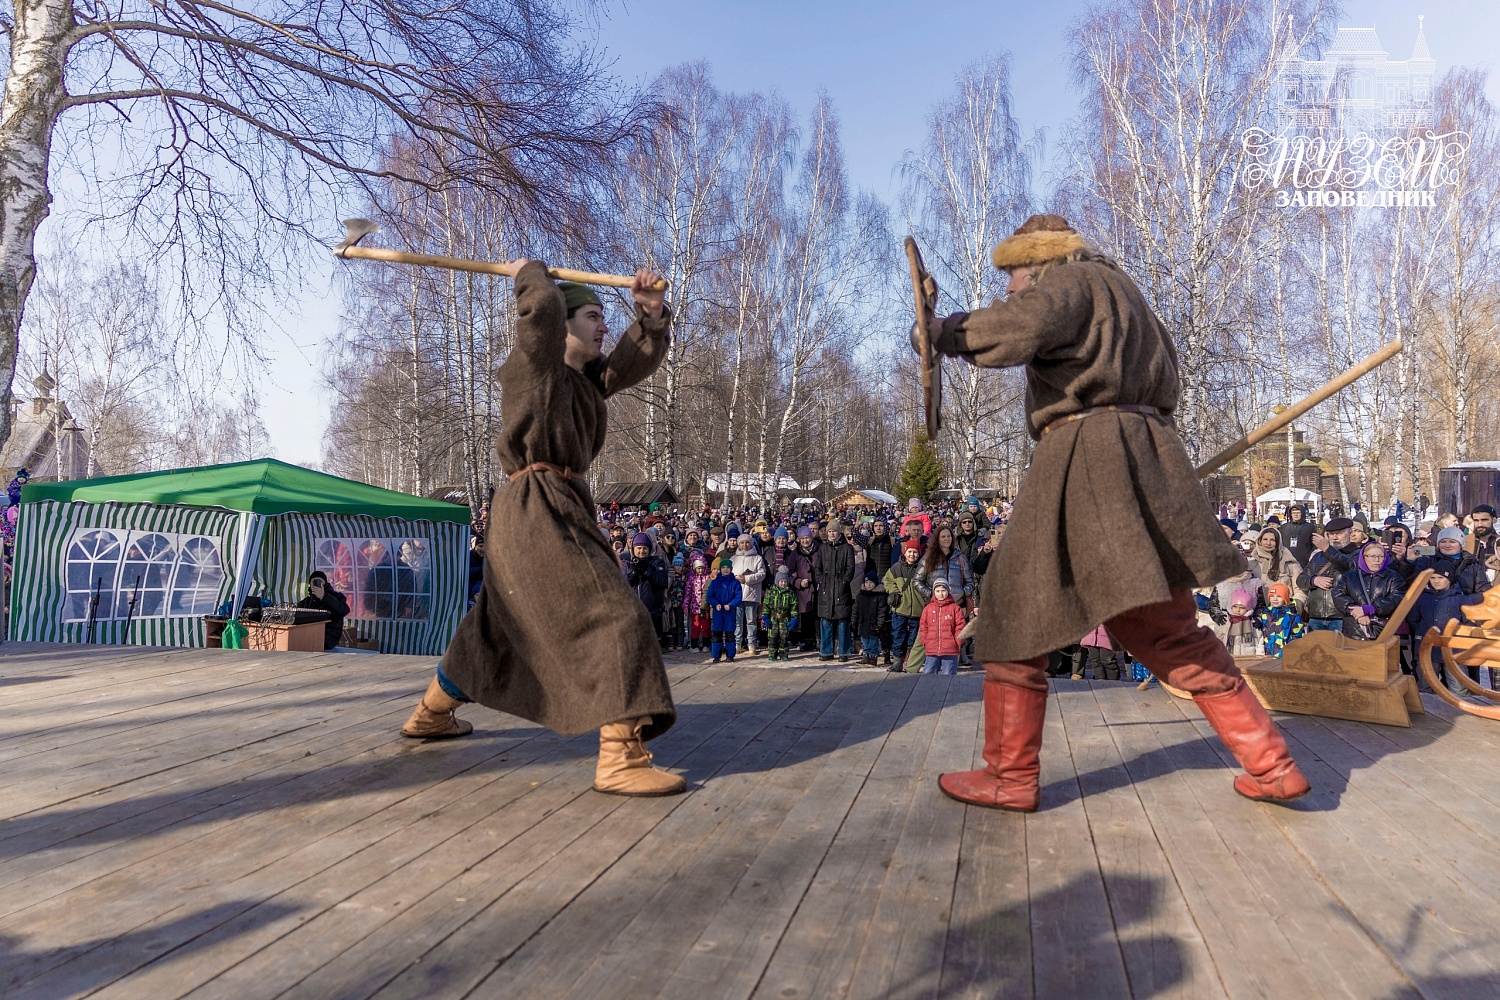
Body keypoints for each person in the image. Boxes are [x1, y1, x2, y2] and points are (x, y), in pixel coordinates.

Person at [917, 213, 1308, 811]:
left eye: (1014, 277)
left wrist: (945, 332)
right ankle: (1272, 764)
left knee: (1014, 605)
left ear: (1039, 263)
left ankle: (1009, 776)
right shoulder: (1126, 296)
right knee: (1164, 625)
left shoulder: (1071, 285)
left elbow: (1025, 324)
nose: (1010, 290)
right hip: (1143, 454)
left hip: (1086, 457)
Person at [403, 265, 688, 798]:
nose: (603, 328)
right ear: (561, 325)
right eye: (591, 317)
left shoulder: (586, 382)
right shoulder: (533, 368)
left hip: (544, 508)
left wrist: (649, 315)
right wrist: (531, 274)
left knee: (494, 629)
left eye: (605, 318)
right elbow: (540, 319)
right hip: (538, 510)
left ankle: (430, 715)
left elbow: (632, 360)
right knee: (614, 618)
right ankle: (620, 759)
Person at [1410, 526, 1488, 691]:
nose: (1447, 545)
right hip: (1431, 622)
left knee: (1460, 681)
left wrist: (1461, 601)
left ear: (1460, 543)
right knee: (1427, 680)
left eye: (1452, 541)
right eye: (1443, 541)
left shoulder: (1471, 564)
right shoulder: (1428, 559)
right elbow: (1414, 586)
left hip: (1459, 625)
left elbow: (1485, 592)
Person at [1332, 540, 1407, 640]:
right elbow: (1338, 594)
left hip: (1382, 631)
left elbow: (1397, 598)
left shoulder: (1393, 577)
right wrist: (1354, 610)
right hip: (1354, 631)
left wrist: (1370, 609)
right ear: (1363, 557)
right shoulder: (1350, 576)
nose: (1377, 560)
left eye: (1381, 556)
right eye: (1372, 556)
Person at [1299, 517, 1357, 633]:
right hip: (1316, 616)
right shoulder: (1318, 556)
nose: (1334, 537)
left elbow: (1350, 569)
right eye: (1331, 534)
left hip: (1342, 616)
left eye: (1339, 534)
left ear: (1350, 533)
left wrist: (1327, 549)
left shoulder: (1357, 554)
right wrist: (1314, 580)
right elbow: (1300, 579)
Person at [812, 520, 856, 662]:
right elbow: (817, 567)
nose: (831, 534)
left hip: (841, 589)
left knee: (842, 622)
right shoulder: (823, 548)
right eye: (829, 531)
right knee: (826, 621)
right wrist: (821, 580)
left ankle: (843, 652)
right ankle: (826, 651)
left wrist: (843, 581)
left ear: (839, 532)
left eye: (834, 531)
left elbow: (850, 569)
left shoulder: (846, 548)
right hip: (826, 589)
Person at [885, 538, 925, 673]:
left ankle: (910, 660)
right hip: (900, 607)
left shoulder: (923, 568)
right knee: (898, 635)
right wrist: (894, 592)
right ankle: (897, 660)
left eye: (915, 552)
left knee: (913, 638)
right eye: (910, 552)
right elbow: (888, 580)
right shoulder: (896, 567)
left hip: (918, 609)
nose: (912, 555)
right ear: (905, 552)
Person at [625, 533, 669, 647]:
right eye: (639, 548)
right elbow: (623, 584)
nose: (641, 551)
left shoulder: (656, 563)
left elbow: (663, 582)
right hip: (632, 612)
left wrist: (648, 572)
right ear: (633, 549)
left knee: (652, 646)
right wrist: (634, 573)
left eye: (645, 548)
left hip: (653, 611)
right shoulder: (627, 564)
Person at [918, 576, 966, 675]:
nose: (941, 594)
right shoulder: (928, 608)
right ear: (934, 592)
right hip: (932, 648)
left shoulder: (955, 608)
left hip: (950, 649)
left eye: (943, 590)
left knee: (948, 675)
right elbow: (923, 626)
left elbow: (960, 626)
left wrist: (958, 640)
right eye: (938, 591)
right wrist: (924, 640)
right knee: (928, 673)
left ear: (948, 591)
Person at [731, 533, 767, 656]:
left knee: (751, 621)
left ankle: (752, 643)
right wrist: (736, 578)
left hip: (751, 593)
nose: (744, 545)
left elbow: (761, 574)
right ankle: (737, 644)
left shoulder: (757, 558)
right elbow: (728, 574)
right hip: (737, 594)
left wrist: (747, 579)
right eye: (742, 543)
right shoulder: (733, 559)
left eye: (747, 542)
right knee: (737, 621)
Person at [298, 571, 351, 651]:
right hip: (309, 638)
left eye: (319, 582)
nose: (317, 584)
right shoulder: (307, 601)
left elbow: (343, 610)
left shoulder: (336, 597)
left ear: (325, 583)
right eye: (314, 582)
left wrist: (324, 596)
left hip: (328, 639)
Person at [706, 556, 742, 663]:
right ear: (720, 569)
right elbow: (710, 595)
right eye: (723, 567)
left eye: (727, 567)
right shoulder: (715, 582)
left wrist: (731, 605)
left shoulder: (735, 583)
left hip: (729, 612)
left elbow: (738, 597)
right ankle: (716, 655)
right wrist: (715, 603)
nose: (725, 569)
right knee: (716, 634)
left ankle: (730, 655)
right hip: (718, 612)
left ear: (731, 569)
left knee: (730, 634)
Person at [761, 565, 799, 662]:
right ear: (777, 582)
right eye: (781, 582)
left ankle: (783, 654)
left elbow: (794, 606)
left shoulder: (790, 593)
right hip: (773, 618)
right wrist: (765, 617)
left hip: (784, 618)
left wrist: (794, 618)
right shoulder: (770, 592)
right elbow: (766, 605)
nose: (783, 584)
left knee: (784, 637)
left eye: (785, 582)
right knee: (772, 637)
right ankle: (772, 654)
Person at [1256, 582, 1305, 657]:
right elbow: (1262, 635)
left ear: (1285, 598)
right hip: (1268, 655)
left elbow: (1298, 637)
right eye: (1272, 596)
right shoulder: (1265, 614)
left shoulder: (1292, 616)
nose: (1275, 599)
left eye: (1279, 596)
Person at [852, 569, 887, 666]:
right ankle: (865, 656)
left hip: (874, 624)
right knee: (864, 641)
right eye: (866, 582)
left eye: (871, 582)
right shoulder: (860, 596)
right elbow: (855, 610)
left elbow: (882, 612)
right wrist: (854, 621)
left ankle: (873, 657)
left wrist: (880, 624)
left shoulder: (880, 596)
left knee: (873, 642)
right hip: (862, 623)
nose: (868, 584)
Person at [684, 553, 712, 651]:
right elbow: (688, 593)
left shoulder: (708, 578)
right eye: (698, 568)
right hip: (694, 607)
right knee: (695, 626)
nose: (700, 570)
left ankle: (705, 645)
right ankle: (694, 645)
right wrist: (686, 605)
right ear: (694, 568)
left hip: (705, 607)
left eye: (702, 568)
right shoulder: (691, 579)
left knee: (705, 627)